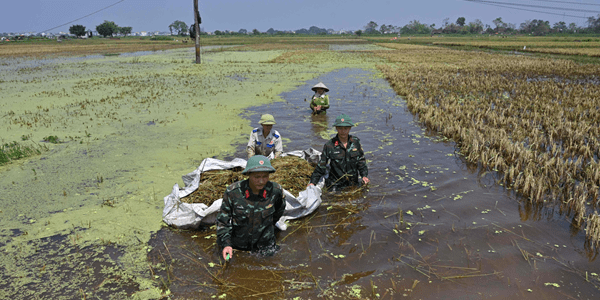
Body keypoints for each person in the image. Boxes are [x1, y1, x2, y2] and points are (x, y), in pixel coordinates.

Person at [217, 155, 286, 259]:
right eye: (257, 177)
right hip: (239, 247)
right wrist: (226, 244)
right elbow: (223, 221)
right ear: (248, 174)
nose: (261, 181)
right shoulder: (233, 193)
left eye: (265, 176)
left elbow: (279, 210)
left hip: (266, 246)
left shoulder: (275, 191)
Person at [308, 113, 370, 191]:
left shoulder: (355, 142)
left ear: (350, 128)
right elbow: (321, 166)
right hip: (335, 186)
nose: (343, 131)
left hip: (353, 184)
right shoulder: (330, 145)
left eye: (345, 128)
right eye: (340, 128)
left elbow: (361, 161)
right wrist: (312, 183)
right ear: (336, 128)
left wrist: (364, 176)